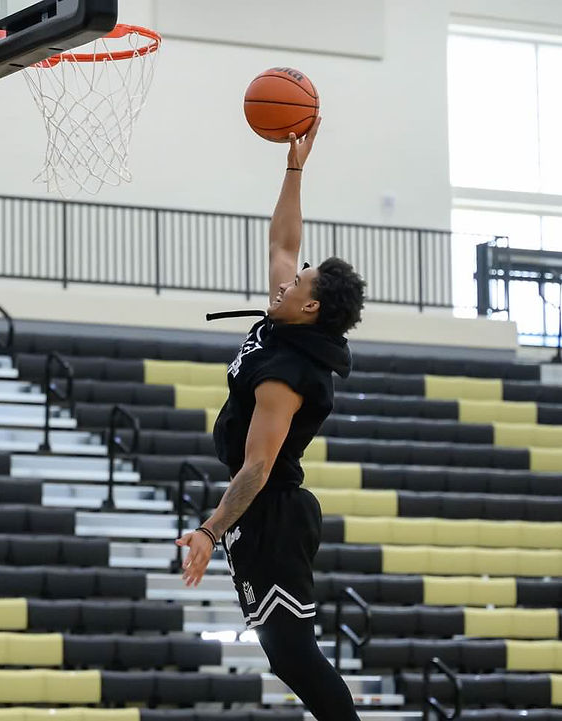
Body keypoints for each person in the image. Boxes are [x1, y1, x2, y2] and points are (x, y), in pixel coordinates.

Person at [175, 117, 366, 721]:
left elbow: (257, 467)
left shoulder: (287, 372)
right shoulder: (287, 320)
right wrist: (294, 168)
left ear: (311, 306)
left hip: (273, 513)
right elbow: (283, 243)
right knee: (287, 655)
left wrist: (209, 532)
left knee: (293, 655)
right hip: (262, 512)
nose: (285, 281)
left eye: (298, 283)